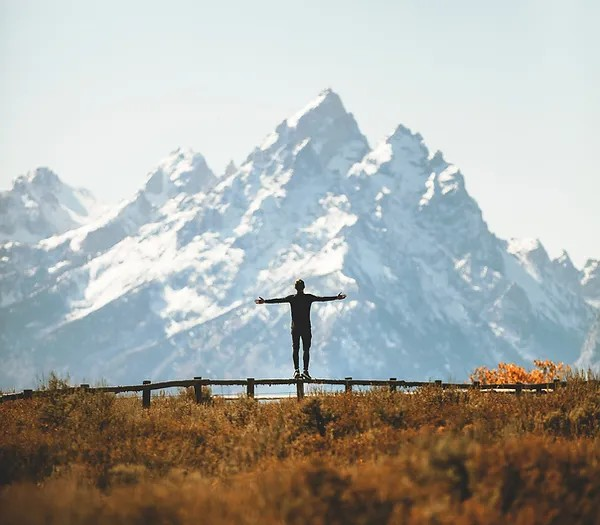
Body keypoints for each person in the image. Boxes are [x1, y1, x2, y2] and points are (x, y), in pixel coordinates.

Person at [255, 279, 346, 379]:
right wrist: (336, 298)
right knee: (306, 350)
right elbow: (322, 299)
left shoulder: (292, 298)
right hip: (306, 328)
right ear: (304, 287)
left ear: (295, 288)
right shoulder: (308, 298)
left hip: (295, 328)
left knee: (295, 349)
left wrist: (265, 301)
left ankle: (296, 371)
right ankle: (305, 371)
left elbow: (278, 300)